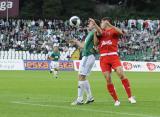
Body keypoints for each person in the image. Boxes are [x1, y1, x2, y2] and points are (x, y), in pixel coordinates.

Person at [90, 17, 136, 106]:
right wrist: (95, 32)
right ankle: (116, 100)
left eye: (102, 22)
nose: (101, 24)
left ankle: (130, 97)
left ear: (107, 22)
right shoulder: (100, 32)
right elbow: (95, 43)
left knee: (121, 74)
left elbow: (121, 32)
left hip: (113, 56)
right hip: (103, 58)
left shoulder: (113, 30)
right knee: (108, 79)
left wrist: (110, 25)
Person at [70, 19, 100, 105]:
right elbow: (83, 46)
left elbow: (96, 43)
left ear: (94, 25)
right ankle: (90, 97)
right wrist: (76, 41)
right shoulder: (89, 34)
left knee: (80, 76)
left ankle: (80, 99)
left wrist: (95, 31)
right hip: (87, 56)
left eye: (90, 23)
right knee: (83, 77)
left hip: (88, 56)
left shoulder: (94, 33)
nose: (88, 24)